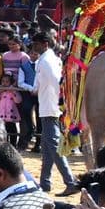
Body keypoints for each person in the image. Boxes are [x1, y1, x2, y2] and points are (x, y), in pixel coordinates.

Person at [29, 34, 78, 193]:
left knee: (54, 146)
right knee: (47, 147)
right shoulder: (49, 58)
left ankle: (70, 182)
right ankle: (45, 182)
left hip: (50, 106)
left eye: (36, 43)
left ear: (45, 43)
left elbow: (55, 82)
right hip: (49, 106)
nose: (33, 46)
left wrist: (58, 101)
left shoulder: (46, 60)